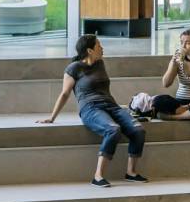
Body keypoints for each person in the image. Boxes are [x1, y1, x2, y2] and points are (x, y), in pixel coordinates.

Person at [37, 34, 147, 187]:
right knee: (113, 129)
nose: (102, 48)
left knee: (138, 130)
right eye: (99, 46)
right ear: (89, 50)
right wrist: (52, 117)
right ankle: (98, 176)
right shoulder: (73, 68)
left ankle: (131, 173)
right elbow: (65, 93)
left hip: (111, 106)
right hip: (90, 108)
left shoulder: (100, 63)